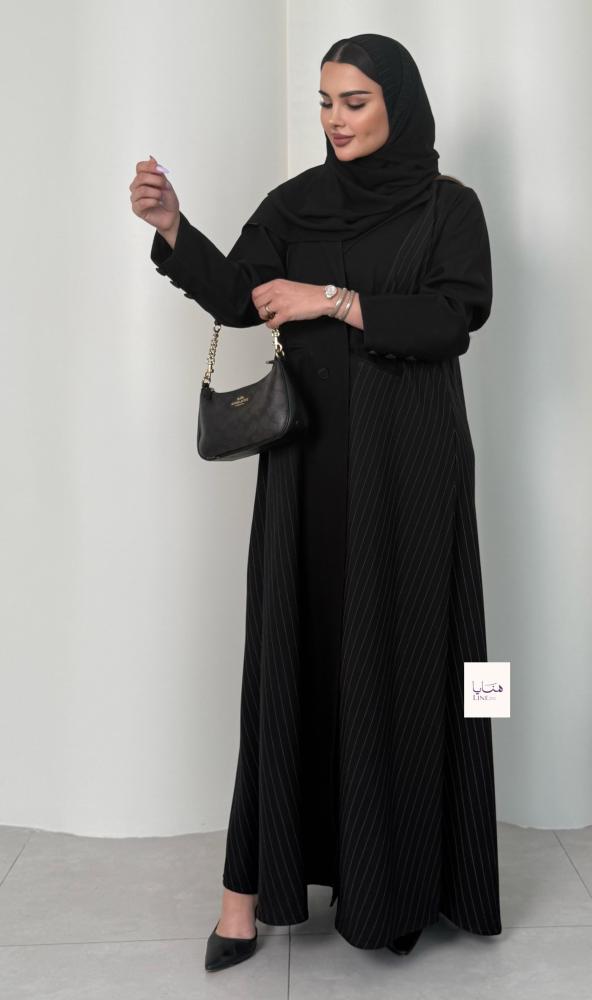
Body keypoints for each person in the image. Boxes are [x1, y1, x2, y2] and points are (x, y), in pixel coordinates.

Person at [129, 31, 502, 969]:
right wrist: (173, 228)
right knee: (288, 659)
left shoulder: (448, 206)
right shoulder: (295, 201)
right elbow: (237, 297)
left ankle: (399, 886)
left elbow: (454, 317)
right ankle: (245, 897)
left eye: (355, 102)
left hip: (412, 469)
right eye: (326, 102)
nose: (336, 119)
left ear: (399, 105)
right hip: (309, 465)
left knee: (412, 659)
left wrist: (331, 299)